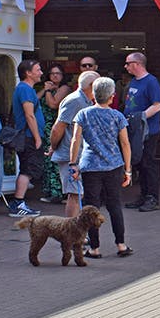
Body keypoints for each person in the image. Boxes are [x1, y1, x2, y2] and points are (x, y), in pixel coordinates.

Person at [69, 76, 134, 257]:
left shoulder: (83, 114)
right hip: (114, 165)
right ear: (112, 96)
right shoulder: (117, 116)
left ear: (94, 95)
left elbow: (76, 140)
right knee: (114, 205)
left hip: (90, 166)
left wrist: (73, 164)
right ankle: (121, 244)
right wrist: (128, 170)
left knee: (91, 207)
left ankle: (94, 248)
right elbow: (125, 143)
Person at [48, 70, 98, 218]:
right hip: (71, 156)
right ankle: (71, 233)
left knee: (78, 194)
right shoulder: (75, 100)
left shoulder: (85, 101)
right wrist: (54, 147)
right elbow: (58, 128)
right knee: (75, 194)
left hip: (79, 154)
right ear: (91, 85)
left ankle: (75, 232)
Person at [123, 51, 160, 212]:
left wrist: (140, 118)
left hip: (148, 130)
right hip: (135, 129)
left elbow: (157, 105)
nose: (126, 66)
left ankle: (152, 198)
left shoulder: (151, 82)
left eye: (128, 63)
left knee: (148, 163)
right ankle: (144, 195)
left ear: (137, 64)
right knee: (139, 163)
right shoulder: (134, 82)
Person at [9, 59, 47, 217]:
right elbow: (29, 114)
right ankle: (18, 203)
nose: (41, 73)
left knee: (28, 168)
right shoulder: (25, 89)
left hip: (29, 135)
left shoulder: (26, 89)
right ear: (28, 73)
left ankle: (19, 202)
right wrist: (37, 137)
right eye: (38, 70)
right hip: (29, 136)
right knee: (28, 169)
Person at [36, 64, 67, 204]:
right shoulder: (46, 88)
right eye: (52, 73)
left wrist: (48, 92)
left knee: (54, 158)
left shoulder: (64, 89)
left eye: (58, 73)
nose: (55, 76)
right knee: (47, 161)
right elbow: (35, 100)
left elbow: (53, 104)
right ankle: (49, 190)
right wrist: (45, 89)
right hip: (44, 127)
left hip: (55, 127)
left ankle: (58, 192)